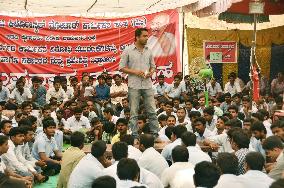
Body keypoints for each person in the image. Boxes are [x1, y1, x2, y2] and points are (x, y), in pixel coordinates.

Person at [119, 28, 159, 138]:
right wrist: (135, 72)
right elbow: (121, 67)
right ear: (137, 37)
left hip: (147, 85)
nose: (147, 38)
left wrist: (151, 73)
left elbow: (153, 67)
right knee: (134, 112)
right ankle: (135, 136)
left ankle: (155, 134)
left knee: (151, 111)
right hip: (134, 85)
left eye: (147, 36)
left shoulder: (149, 50)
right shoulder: (128, 50)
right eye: (144, 36)